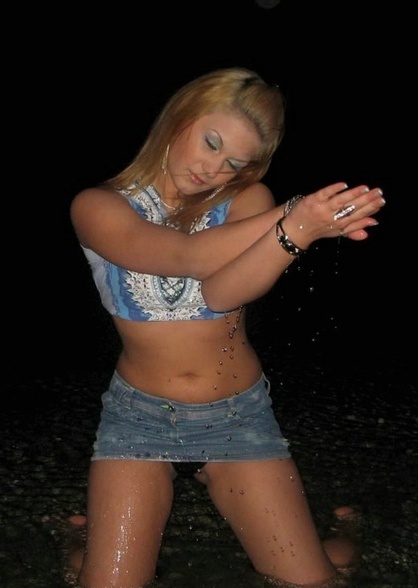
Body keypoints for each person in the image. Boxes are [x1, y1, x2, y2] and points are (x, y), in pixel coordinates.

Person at [68, 67, 385, 588]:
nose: (214, 169)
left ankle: (345, 535)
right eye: (211, 143)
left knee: (317, 581)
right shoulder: (97, 206)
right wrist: (297, 218)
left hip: (238, 415)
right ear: (179, 118)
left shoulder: (246, 202)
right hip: (138, 418)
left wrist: (300, 230)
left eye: (234, 162)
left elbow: (222, 293)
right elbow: (185, 256)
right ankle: (79, 544)